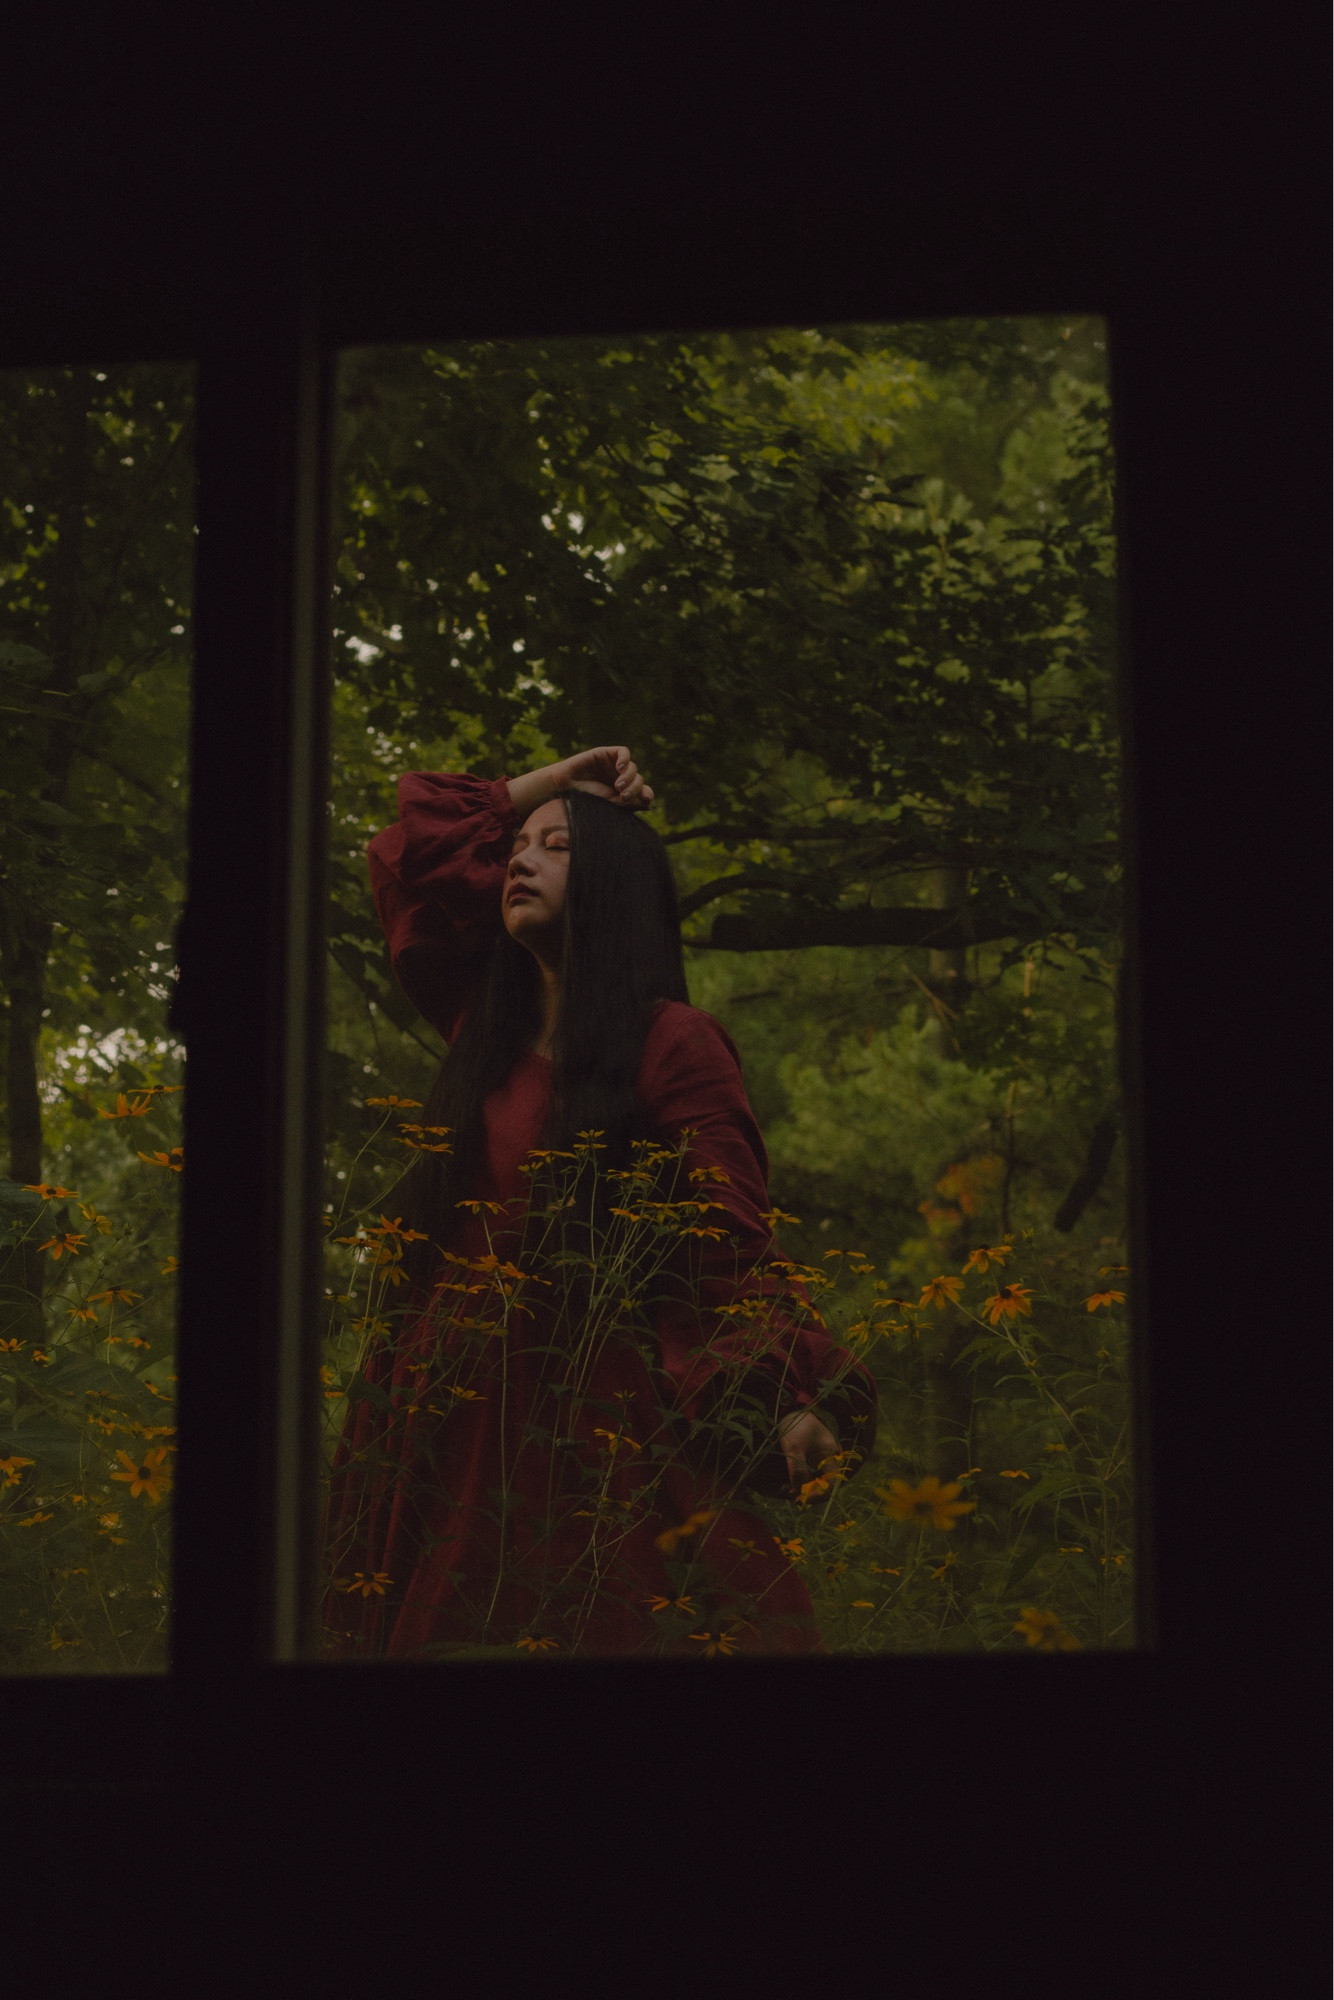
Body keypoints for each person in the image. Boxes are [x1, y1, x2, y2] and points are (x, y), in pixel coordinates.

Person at [324, 745, 877, 1659]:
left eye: (554, 847)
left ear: (615, 882)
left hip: (572, 1415)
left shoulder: (673, 1044)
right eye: (514, 849)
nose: (519, 860)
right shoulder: (479, 1024)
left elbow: (728, 1241)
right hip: (428, 1406)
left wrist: (791, 1396)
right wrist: (552, 783)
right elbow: (400, 858)